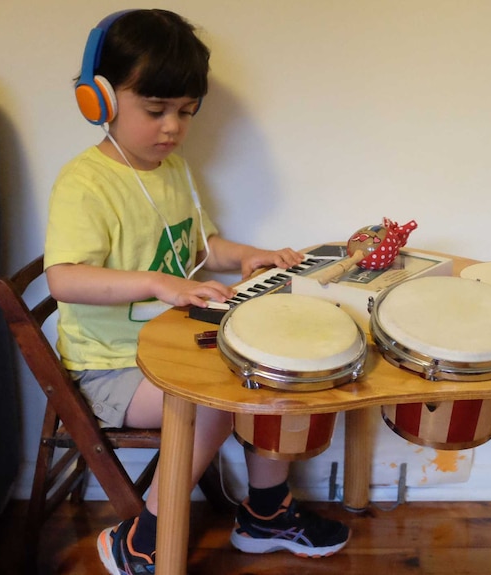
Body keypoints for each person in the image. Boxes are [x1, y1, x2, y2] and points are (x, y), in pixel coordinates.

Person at [45, 9, 350, 575]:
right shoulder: (85, 183)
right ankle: (144, 536)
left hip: (167, 348)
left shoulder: (173, 169)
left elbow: (198, 248)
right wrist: (159, 284)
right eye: (155, 110)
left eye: (185, 112)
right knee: (213, 401)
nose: (172, 128)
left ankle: (265, 515)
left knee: (266, 372)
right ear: (101, 100)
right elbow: (64, 277)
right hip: (109, 370)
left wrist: (245, 257)